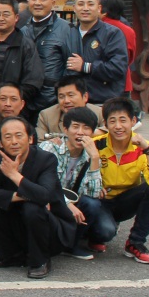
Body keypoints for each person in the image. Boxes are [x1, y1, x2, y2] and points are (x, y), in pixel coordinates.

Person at [0, 116, 77, 279]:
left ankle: (40, 261)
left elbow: (45, 195)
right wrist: (24, 196)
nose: (14, 141)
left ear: (30, 139)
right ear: (1, 143)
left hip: (52, 230)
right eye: (8, 137)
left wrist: (14, 175)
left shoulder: (46, 160)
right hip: (22, 225)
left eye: (19, 135)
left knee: (33, 208)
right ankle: (11, 255)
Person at [91, 97, 149, 263]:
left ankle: (135, 243)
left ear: (133, 121)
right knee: (105, 232)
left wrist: (148, 150)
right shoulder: (96, 145)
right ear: (105, 124)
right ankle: (94, 234)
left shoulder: (142, 146)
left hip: (125, 201)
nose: (118, 126)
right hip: (100, 201)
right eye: (112, 121)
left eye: (123, 120)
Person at [37, 105, 104, 259]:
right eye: (75, 127)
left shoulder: (91, 154)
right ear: (65, 130)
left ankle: (71, 245)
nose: (80, 132)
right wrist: (66, 203)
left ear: (92, 132)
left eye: (86, 128)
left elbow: (93, 194)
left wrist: (94, 158)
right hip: (51, 201)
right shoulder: (50, 148)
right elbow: (43, 184)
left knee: (93, 205)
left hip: (74, 203)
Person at [19, 0, 81, 117]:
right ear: (28, 2)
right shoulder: (22, 30)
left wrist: (62, 95)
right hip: (26, 99)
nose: (37, 3)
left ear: (53, 3)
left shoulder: (67, 29)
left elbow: (72, 68)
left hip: (53, 99)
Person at [0, 0, 45, 122]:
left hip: (14, 111)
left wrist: (9, 99)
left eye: (6, 14)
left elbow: (33, 81)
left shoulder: (26, 45)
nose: (1, 18)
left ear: (16, 18)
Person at [68, 0, 128, 104]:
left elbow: (118, 68)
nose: (85, 8)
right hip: (72, 102)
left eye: (90, 4)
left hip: (102, 101)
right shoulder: (68, 33)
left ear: (99, 8)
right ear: (74, 8)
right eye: (81, 4)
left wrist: (85, 66)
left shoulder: (112, 33)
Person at [36, 74, 100, 142]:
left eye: (71, 95)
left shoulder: (99, 113)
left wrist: (92, 133)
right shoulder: (46, 115)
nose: (66, 101)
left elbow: (107, 130)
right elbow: (39, 142)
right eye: (61, 97)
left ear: (85, 97)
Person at [99, 0, 137, 97]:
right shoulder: (129, 30)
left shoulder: (97, 27)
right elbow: (130, 58)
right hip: (123, 80)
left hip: (97, 81)